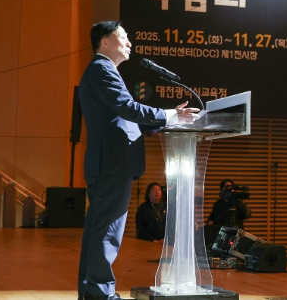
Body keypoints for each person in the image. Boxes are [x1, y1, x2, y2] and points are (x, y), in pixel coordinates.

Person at [77, 21, 199, 300]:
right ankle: (100, 294)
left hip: (107, 162)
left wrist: (164, 120)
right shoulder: (102, 69)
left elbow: (121, 117)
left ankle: (92, 293)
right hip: (112, 162)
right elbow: (127, 107)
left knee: (98, 231)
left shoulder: (102, 70)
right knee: (107, 232)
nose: (129, 42)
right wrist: (169, 115)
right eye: (123, 37)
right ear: (105, 42)